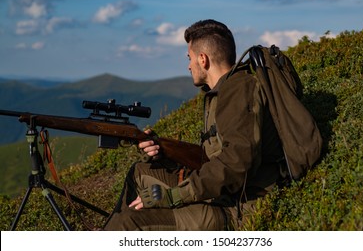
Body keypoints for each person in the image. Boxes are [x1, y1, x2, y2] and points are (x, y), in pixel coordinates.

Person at [103, 19, 285, 230]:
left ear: (203, 59)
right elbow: (213, 157)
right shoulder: (222, 91)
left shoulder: (238, 91)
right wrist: (163, 154)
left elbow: (237, 164)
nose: (189, 65)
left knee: (129, 222)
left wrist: (173, 196)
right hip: (220, 194)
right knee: (140, 171)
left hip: (236, 208)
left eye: (189, 58)